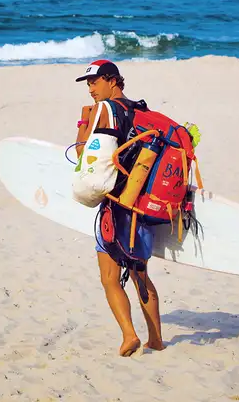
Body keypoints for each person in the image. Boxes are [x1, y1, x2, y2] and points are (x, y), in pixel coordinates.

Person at [74, 59, 165, 357]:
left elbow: (89, 157)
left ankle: (129, 335)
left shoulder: (108, 110)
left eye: (95, 81)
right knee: (140, 274)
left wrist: (83, 124)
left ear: (112, 80)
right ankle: (156, 339)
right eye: (88, 83)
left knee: (109, 278)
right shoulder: (139, 110)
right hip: (140, 203)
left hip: (116, 207)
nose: (91, 89)